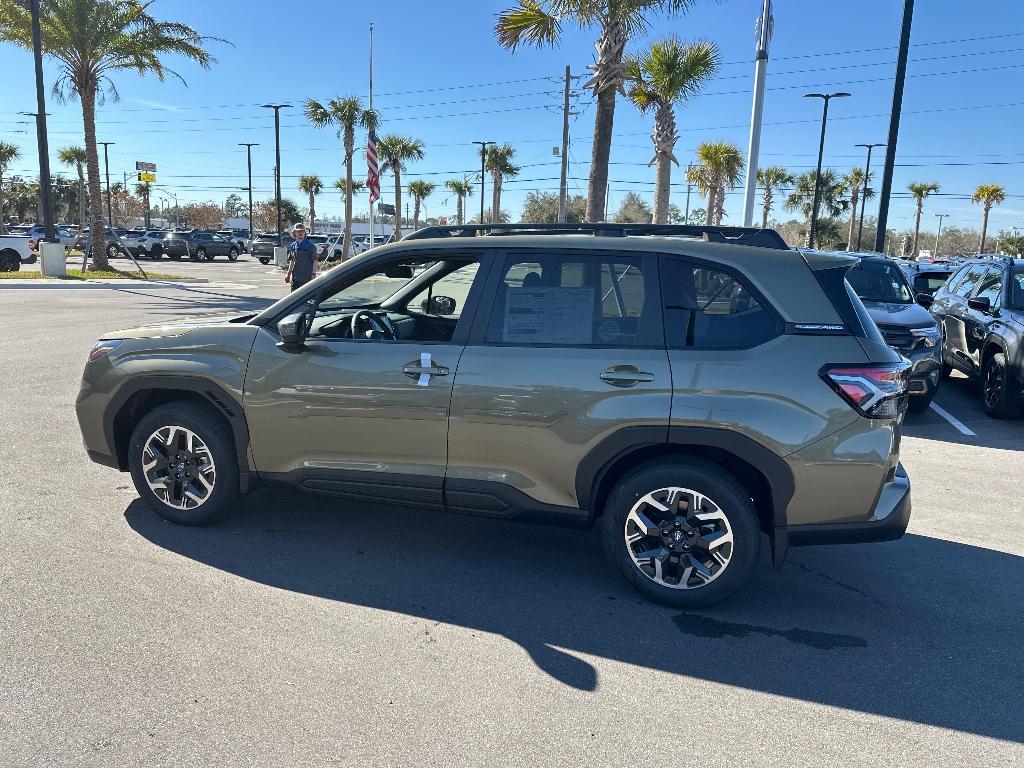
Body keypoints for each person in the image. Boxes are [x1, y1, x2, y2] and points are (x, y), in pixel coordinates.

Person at [284, 224, 320, 292]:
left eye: (302, 231)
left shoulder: (310, 246)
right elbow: (292, 260)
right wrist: (288, 274)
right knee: (294, 299)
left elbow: (315, 261)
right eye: (298, 231)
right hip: (295, 279)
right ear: (294, 233)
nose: (300, 233)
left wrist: (314, 274)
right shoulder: (293, 245)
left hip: (307, 279)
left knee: (306, 301)